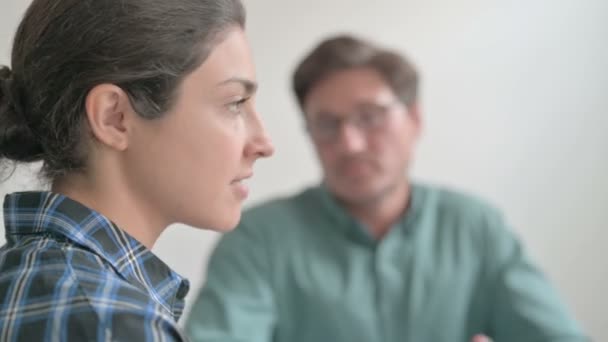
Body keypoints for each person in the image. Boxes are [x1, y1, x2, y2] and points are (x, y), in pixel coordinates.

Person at [185, 35, 588, 342]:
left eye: (370, 117)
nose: (350, 143)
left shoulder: (475, 228)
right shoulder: (258, 238)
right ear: (308, 133)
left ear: (414, 119)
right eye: (327, 124)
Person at [0, 0, 273, 340]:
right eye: (234, 104)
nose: (264, 143)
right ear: (114, 118)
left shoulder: (23, 275)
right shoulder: (117, 322)